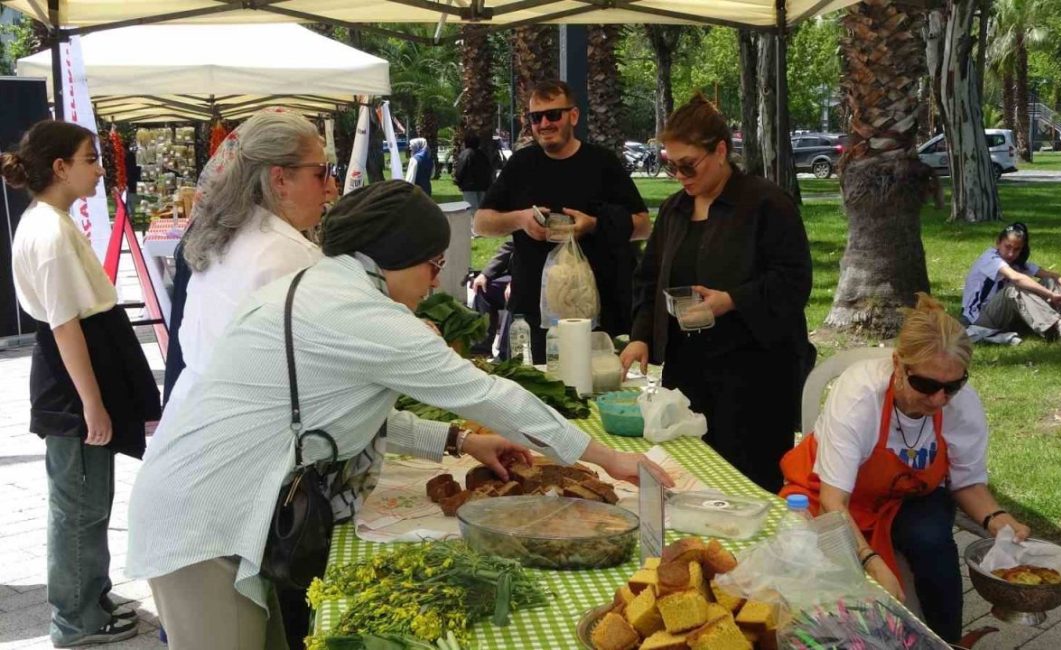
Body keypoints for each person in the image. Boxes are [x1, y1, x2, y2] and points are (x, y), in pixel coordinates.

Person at [126, 180, 673, 650]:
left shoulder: (325, 285)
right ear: (395, 254)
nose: (436, 281)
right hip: (204, 519)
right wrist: (606, 459)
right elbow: (490, 394)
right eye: (433, 264)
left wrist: (460, 440)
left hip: (225, 505)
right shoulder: (362, 312)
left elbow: (348, 413)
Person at [156, 108, 337, 642]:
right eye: (321, 172)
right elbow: (328, 389)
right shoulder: (286, 255)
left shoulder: (230, 236)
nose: (330, 188)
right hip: (213, 496)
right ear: (279, 178)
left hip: (194, 474)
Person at [780, 293, 1031, 644]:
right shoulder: (861, 394)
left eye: (952, 386)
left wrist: (998, 520)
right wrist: (871, 562)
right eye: (926, 385)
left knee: (934, 542)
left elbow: (967, 484)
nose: (939, 399)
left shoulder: (960, 404)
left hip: (903, 497)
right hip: (832, 495)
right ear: (898, 364)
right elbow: (832, 502)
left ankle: (946, 641)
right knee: (820, 577)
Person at [2, 120, 161, 647]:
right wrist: (92, 405)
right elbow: (66, 326)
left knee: (90, 501)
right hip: (73, 387)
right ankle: (74, 619)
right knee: (79, 506)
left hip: (80, 379)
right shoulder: (48, 231)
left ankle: (89, 594)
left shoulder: (53, 220)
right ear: (60, 167)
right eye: (91, 159)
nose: (99, 168)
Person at [619, 94, 813, 494]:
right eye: (670, 165)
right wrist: (640, 335)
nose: (679, 176)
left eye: (688, 165)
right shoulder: (675, 209)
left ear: (720, 150)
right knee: (690, 478)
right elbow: (648, 276)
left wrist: (732, 300)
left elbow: (794, 281)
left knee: (748, 484)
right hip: (688, 372)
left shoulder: (766, 204)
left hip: (754, 377)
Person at [473, 79, 652, 362]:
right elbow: (481, 223)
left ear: (573, 116)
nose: (544, 123)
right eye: (536, 117)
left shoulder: (602, 163)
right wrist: (520, 219)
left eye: (553, 114)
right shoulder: (521, 164)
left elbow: (643, 225)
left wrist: (593, 225)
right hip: (533, 313)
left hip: (596, 313)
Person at [962, 221, 1061, 347]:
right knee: (1014, 289)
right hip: (980, 319)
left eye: (1017, 249)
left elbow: (1052, 275)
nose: (1011, 253)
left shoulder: (1017, 262)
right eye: (1007, 247)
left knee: (1049, 282)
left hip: (1009, 318)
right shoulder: (990, 258)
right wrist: (1050, 295)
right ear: (998, 242)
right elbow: (1016, 278)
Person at [469, 240, 513, 358]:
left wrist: (518, 281)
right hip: (515, 276)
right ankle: (480, 350)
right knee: (483, 288)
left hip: (540, 279)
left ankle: (504, 355)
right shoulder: (522, 226)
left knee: (515, 296)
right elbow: (509, 248)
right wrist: (485, 274)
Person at [453, 132, 493, 212]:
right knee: (481, 209)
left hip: (469, 187)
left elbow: (461, 169)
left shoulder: (465, 154)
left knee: (471, 209)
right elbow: (489, 170)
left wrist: (458, 181)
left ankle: (474, 224)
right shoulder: (482, 154)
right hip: (483, 186)